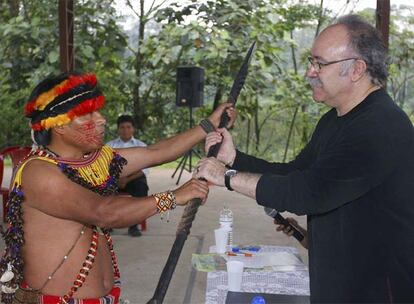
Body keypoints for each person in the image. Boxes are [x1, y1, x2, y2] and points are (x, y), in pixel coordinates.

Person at [195, 15, 414, 302]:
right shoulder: (334, 120)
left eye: (319, 64)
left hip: (374, 289)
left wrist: (226, 177)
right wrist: (234, 159)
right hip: (338, 282)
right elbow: (296, 172)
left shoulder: (378, 127)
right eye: (311, 62)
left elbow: (309, 192)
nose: (310, 72)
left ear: (357, 69)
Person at [0, 72, 235, 304]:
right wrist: (173, 197)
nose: (101, 119)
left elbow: (155, 153)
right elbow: (104, 212)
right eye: (87, 114)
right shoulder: (38, 172)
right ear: (59, 125)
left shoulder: (94, 160)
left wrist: (209, 125)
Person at [107, 115, 149, 237]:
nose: (125, 130)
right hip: (114, 178)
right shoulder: (109, 146)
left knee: (141, 188)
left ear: (133, 129)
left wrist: (126, 179)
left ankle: (133, 226)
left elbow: (144, 169)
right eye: (122, 127)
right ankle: (107, 223)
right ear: (118, 129)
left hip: (134, 178)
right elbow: (105, 168)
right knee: (101, 188)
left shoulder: (141, 146)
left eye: (128, 127)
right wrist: (117, 179)